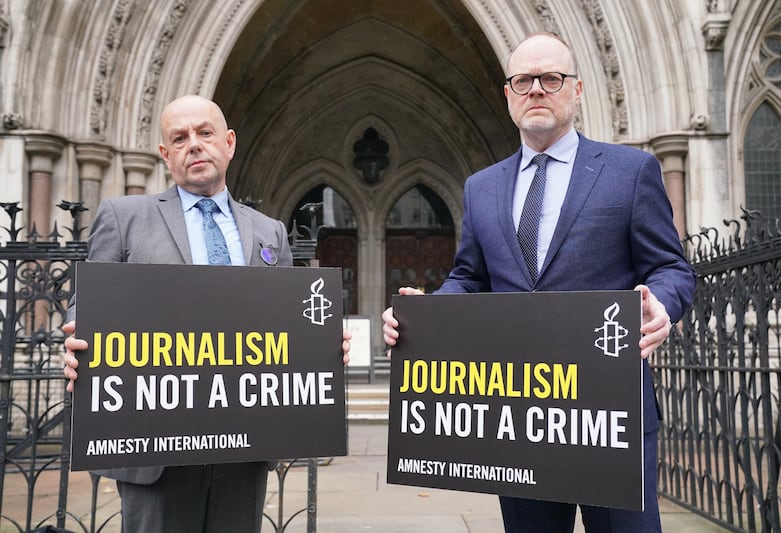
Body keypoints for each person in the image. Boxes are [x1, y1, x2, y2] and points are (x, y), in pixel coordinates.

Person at [382, 33, 695, 532]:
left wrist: (661, 304)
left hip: (607, 413)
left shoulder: (630, 171)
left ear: (577, 89)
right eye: (523, 80)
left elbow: (672, 266)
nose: (536, 90)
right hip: (521, 416)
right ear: (508, 93)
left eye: (551, 79)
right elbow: (469, 277)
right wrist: (426, 314)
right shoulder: (482, 187)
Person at [62, 94, 351, 533]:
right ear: (165, 155)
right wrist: (76, 339)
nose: (193, 145)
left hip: (245, 445)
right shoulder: (124, 217)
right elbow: (87, 307)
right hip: (152, 447)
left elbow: (291, 322)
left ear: (229, 143)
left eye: (204, 133)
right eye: (179, 138)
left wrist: (323, 345)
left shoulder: (269, 230)